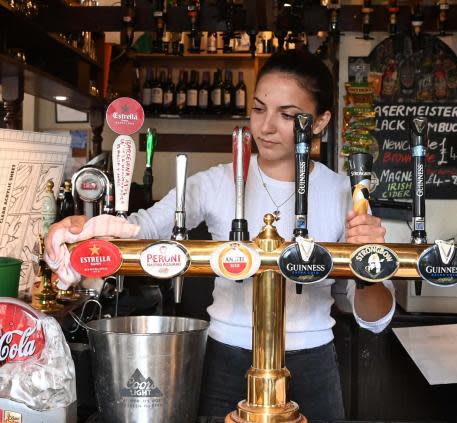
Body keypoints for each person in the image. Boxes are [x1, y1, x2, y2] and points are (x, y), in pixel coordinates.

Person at [45, 48, 395, 421]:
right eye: (259, 109)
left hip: (312, 364)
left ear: (322, 121)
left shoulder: (346, 194)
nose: (265, 127)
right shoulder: (214, 182)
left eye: (288, 115)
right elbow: (142, 229)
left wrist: (368, 265)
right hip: (227, 359)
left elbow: (374, 317)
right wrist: (85, 226)